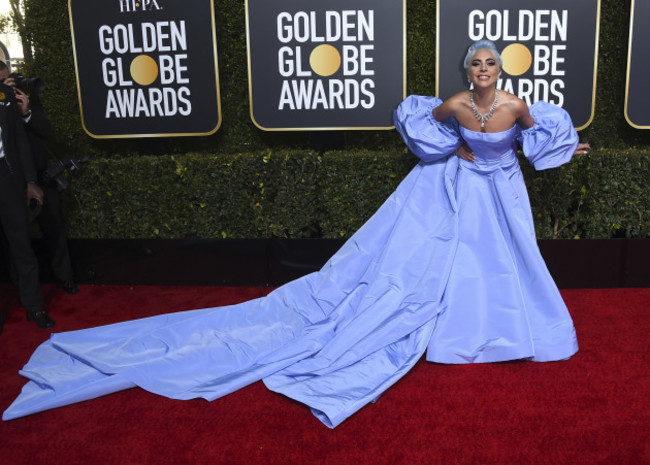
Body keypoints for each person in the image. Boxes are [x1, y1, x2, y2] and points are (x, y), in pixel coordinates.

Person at [3, 40, 587, 427]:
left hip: (501, 192)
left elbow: (539, 140)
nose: (484, 72)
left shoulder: (517, 104)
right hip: (459, 186)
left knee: (507, 261)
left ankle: (503, 329)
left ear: (504, 71)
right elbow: (415, 123)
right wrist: (452, 146)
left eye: (491, 64)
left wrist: (569, 145)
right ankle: (459, 331)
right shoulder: (454, 104)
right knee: (444, 267)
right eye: (476, 65)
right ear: (467, 73)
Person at [0, 63, 79, 295]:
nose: (10, 84)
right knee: (14, 238)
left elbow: (46, 130)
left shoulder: (25, 96)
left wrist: (26, 113)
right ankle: (19, 285)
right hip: (11, 182)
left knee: (54, 227)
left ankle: (65, 278)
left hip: (41, 176)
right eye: (4, 82)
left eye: (11, 78)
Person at [0, 66, 55, 330]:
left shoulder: (6, 96)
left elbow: (21, 141)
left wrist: (30, 181)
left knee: (21, 244)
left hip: (8, 179)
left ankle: (35, 308)